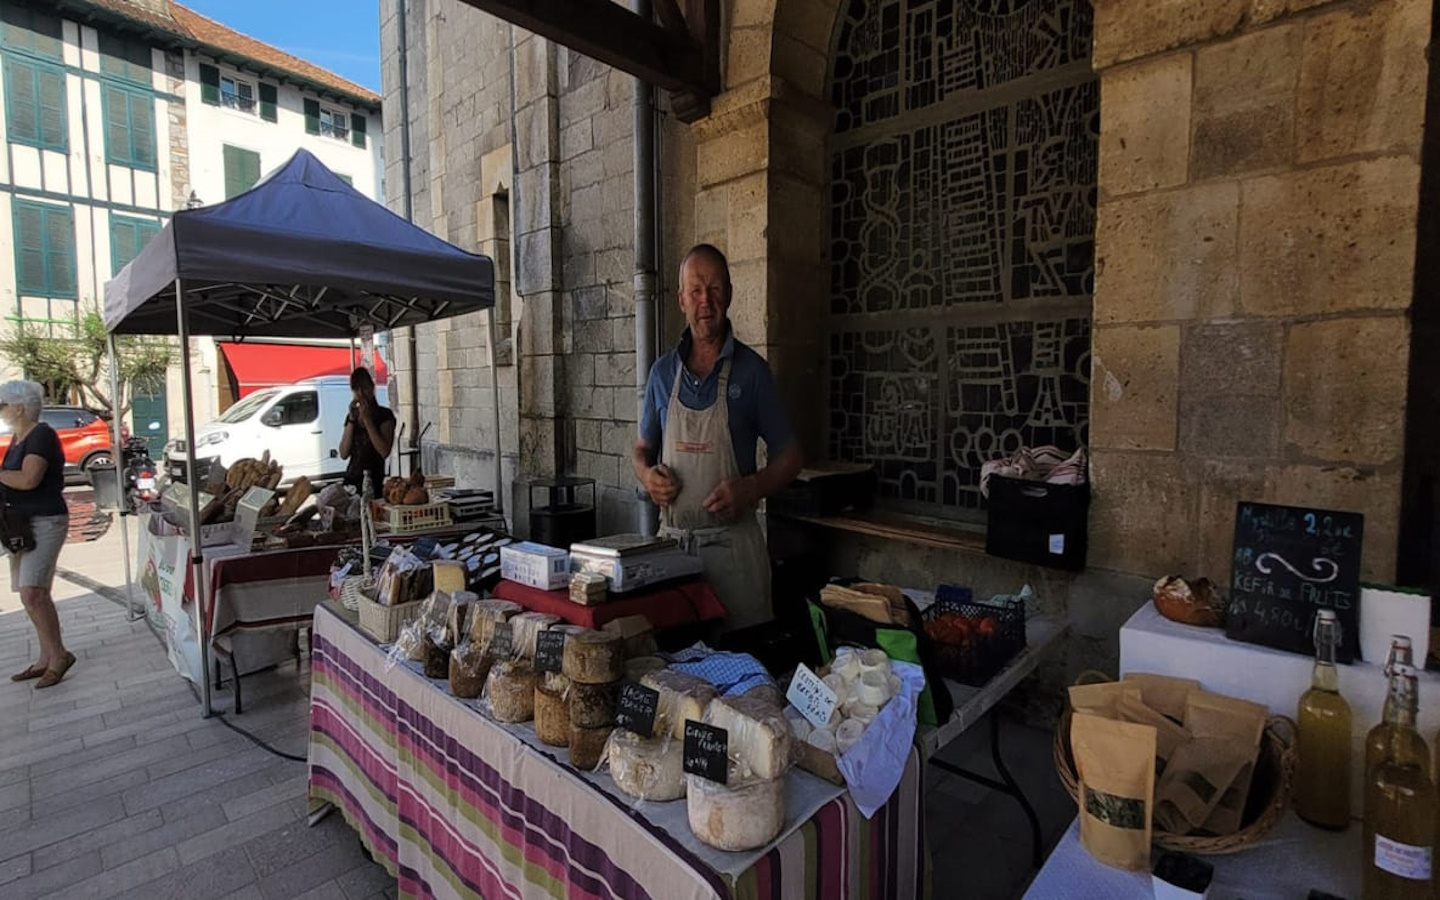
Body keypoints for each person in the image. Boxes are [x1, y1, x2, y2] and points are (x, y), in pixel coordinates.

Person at [632, 244, 803, 630]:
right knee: (678, 672)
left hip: (735, 555)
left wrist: (752, 488)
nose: (705, 300)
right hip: (674, 555)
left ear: (728, 293)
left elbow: (791, 457)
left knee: (745, 676)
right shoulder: (662, 374)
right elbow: (642, 449)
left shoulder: (753, 373)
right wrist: (647, 476)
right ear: (681, 300)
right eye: (695, 290)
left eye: (713, 288)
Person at [1, 380, 75, 688]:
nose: (1, 411)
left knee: (34, 591)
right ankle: (46, 657)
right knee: (30, 594)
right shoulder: (19, 439)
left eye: (2, 404)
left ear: (19, 408)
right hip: (21, 525)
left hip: (45, 522)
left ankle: (58, 655)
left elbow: (30, 479)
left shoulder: (41, 435)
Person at [337, 367, 395, 498]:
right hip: (351, 481)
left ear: (372, 388)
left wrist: (368, 420)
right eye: (356, 390)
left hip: (372, 482)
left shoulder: (385, 415)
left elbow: (384, 451)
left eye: (365, 389)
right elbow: (343, 453)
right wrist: (352, 420)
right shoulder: (352, 417)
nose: (361, 394)